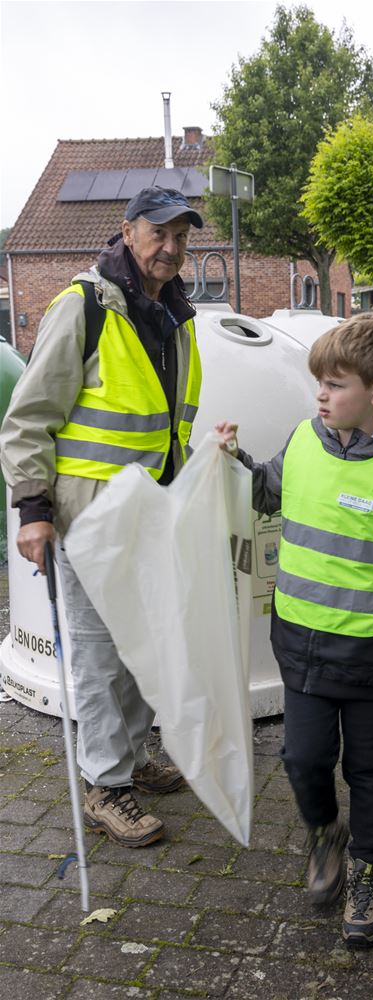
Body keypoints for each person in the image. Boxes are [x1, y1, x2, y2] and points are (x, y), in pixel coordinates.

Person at [216, 313, 373, 947]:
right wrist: (233, 461)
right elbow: (266, 491)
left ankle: (368, 871)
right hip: (300, 644)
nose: (320, 396)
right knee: (303, 759)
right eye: (318, 384)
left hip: (372, 654)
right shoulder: (303, 439)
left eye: (334, 385)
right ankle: (325, 832)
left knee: (370, 768)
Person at [0, 186, 204, 848]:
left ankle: (134, 756)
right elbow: (28, 419)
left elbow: (169, 426)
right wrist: (33, 509)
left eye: (181, 236)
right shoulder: (83, 307)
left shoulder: (177, 316)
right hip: (87, 520)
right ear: (127, 230)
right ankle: (105, 786)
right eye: (159, 232)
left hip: (151, 516)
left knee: (144, 645)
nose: (170, 247)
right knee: (96, 657)